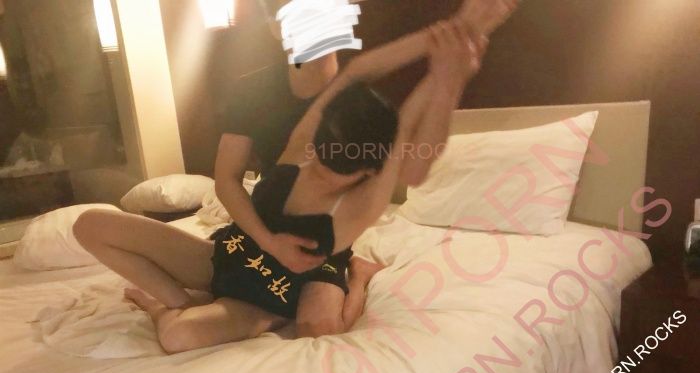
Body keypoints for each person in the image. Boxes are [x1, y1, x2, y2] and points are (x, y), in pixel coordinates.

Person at [73, 2, 518, 354]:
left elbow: (412, 154)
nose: (319, 168)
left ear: (368, 172)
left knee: (187, 336)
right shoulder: (303, 145)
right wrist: (452, 30)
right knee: (90, 225)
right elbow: (358, 74)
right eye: (319, 154)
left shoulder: (360, 201)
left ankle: (355, 277)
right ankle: (183, 302)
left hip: (271, 295)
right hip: (237, 253)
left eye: (336, 169)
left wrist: (449, 76)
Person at [214, 0, 519, 336]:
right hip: (266, 219)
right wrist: (267, 241)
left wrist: (460, 42)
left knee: (318, 328)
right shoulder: (253, 90)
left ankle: (358, 275)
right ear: (275, 26)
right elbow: (226, 179)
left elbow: (412, 161)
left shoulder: (365, 90)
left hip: (327, 232)